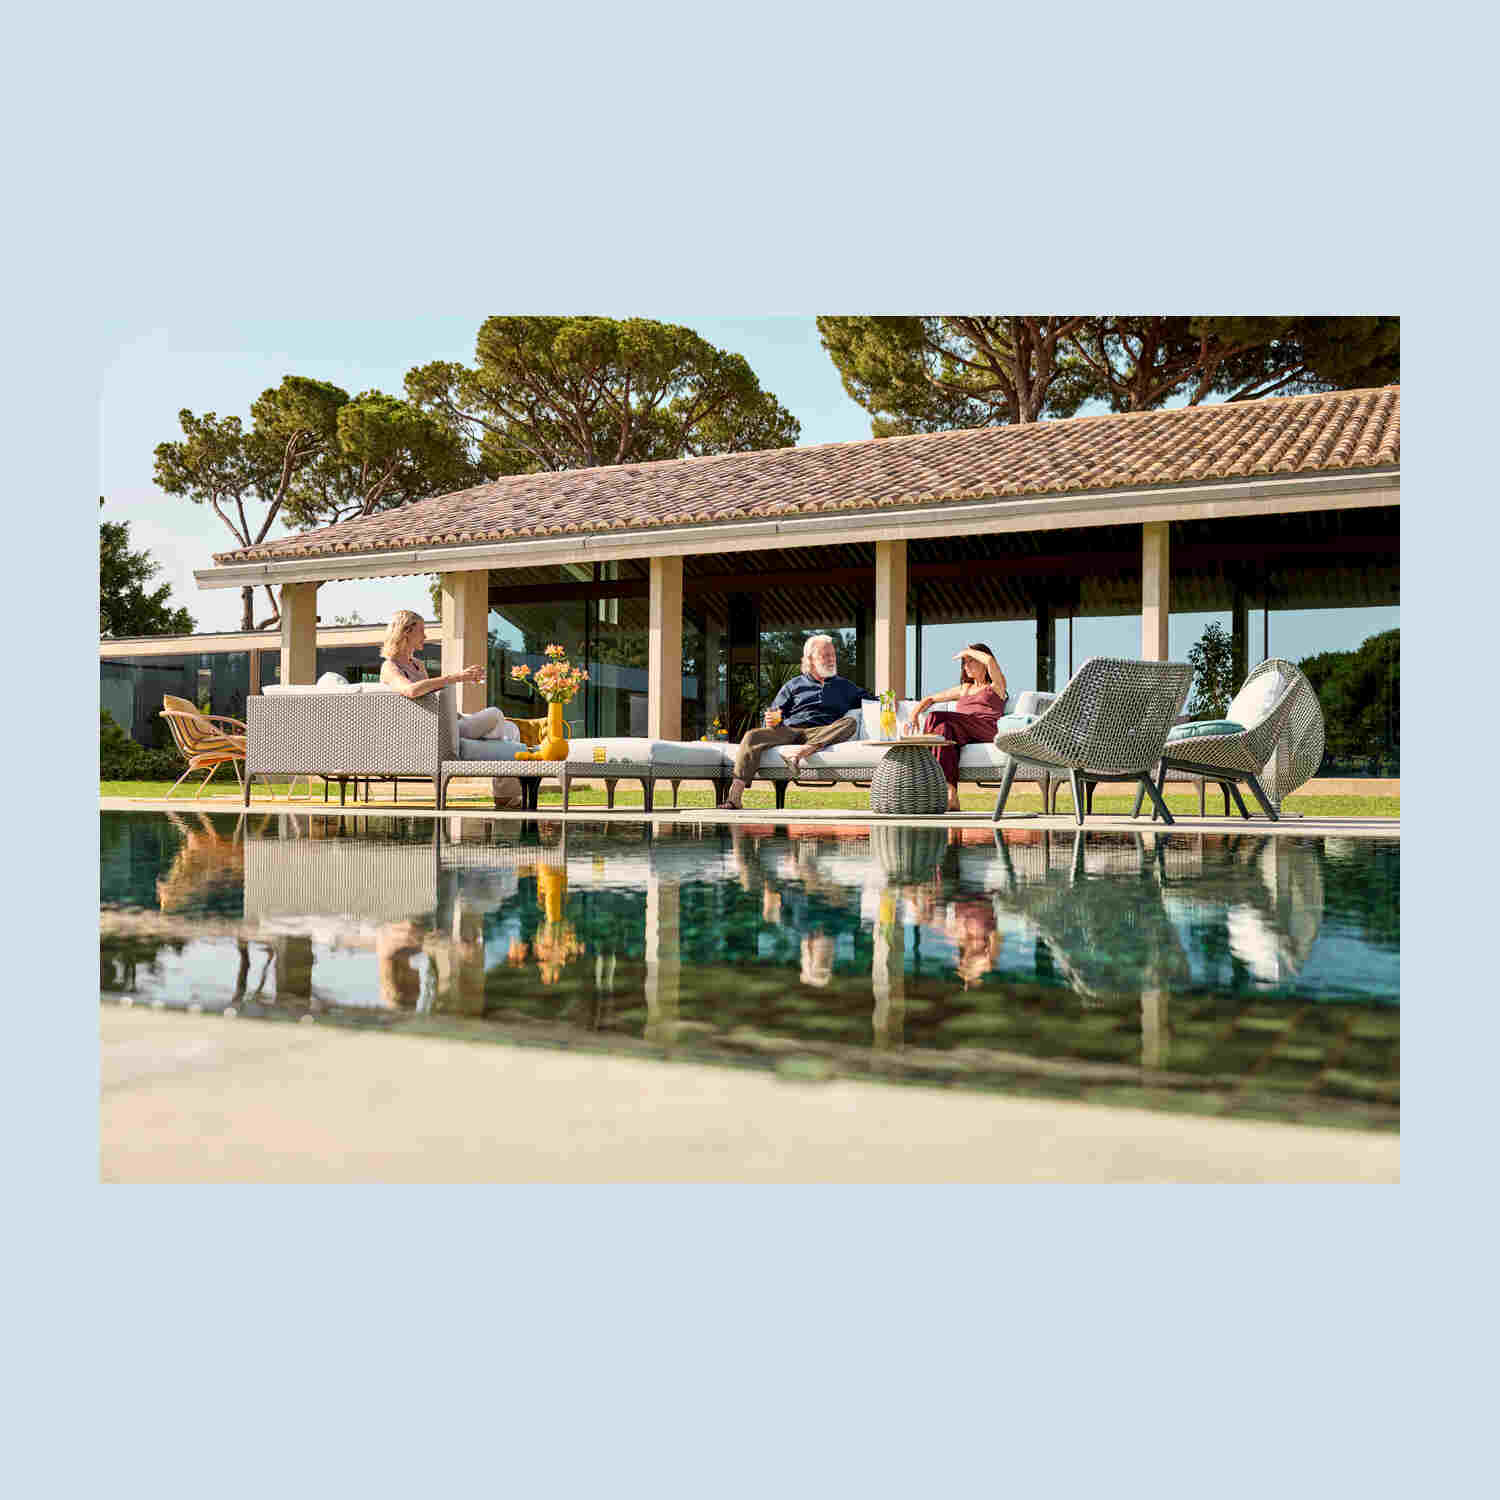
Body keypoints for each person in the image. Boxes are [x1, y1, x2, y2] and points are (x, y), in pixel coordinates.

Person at [379, 608, 525, 807]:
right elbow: (411, 691)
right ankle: (504, 790)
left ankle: (504, 796)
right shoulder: (390, 666)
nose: (425, 636)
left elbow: (431, 700)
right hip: (433, 731)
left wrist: (455, 713)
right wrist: (457, 677)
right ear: (406, 632)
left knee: (511, 729)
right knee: (495, 714)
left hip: (448, 723)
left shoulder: (418, 665)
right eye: (421, 630)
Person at [717, 634, 875, 810]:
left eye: (833, 655)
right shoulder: (794, 685)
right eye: (825, 656)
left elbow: (874, 701)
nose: (831, 659)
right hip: (790, 730)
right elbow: (775, 713)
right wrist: (771, 720)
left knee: (850, 723)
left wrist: (894, 703)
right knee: (752, 736)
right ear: (810, 659)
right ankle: (734, 797)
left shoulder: (845, 686)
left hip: (821, 732)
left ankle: (803, 751)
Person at [911, 643, 1009, 812]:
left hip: (986, 728)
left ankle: (924, 769)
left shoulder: (996, 686)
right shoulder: (965, 688)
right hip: (962, 731)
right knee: (944, 731)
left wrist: (968, 651)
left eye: (971, 661)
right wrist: (914, 715)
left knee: (935, 717)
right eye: (965, 662)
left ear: (982, 663)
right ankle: (951, 795)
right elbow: (930, 699)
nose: (966, 666)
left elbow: (990, 660)